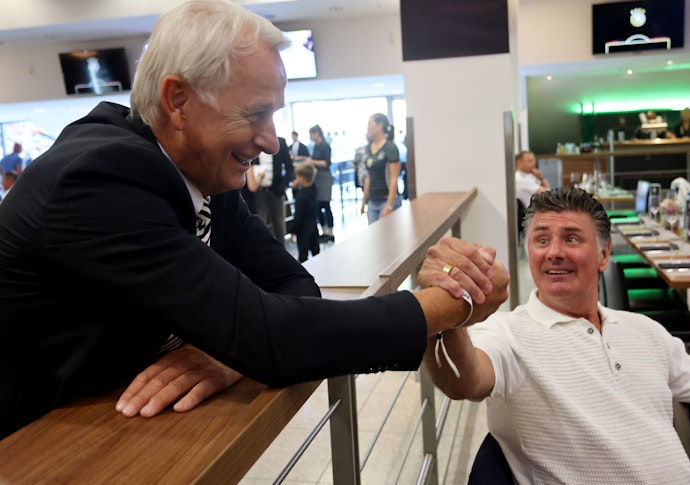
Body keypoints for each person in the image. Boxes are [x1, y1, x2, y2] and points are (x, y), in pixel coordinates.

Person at [0, 0, 510, 439]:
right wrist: (448, 305)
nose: (271, 141)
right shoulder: (100, 179)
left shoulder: (200, 171)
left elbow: (293, 286)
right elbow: (274, 338)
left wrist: (228, 352)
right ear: (178, 100)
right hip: (30, 442)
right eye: (255, 114)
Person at [423, 186, 690, 483]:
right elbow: (464, 380)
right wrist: (446, 312)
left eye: (571, 238)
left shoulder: (646, 331)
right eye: (541, 240)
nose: (554, 252)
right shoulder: (508, 333)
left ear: (604, 255)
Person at [249, 136, 293, 244]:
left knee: (279, 224)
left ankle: (281, 251)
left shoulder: (280, 142)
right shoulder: (254, 142)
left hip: (276, 191)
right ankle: (262, 251)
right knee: (260, 223)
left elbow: (289, 167)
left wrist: (282, 187)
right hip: (258, 191)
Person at [295, 125, 334, 243]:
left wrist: (311, 161)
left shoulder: (325, 146)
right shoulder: (316, 146)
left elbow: (326, 163)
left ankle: (330, 232)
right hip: (317, 177)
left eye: (311, 134)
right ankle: (324, 231)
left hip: (324, 177)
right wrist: (303, 158)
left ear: (317, 133)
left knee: (326, 205)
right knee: (319, 205)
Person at [361, 113, 402, 224]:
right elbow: (369, 176)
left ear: (380, 125)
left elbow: (394, 179)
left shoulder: (390, 148)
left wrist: (389, 206)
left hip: (387, 200)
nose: (368, 127)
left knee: (387, 233)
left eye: (370, 124)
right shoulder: (368, 147)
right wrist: (364, 201)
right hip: (373, 201)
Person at [290, 162, 319, 263]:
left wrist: (293, 232)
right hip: (313, 226)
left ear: (301, 178)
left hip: (303, 230)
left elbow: (298, 215)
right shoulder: (314, 189)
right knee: (316, 253)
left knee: (303, 255)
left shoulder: (301, 196)